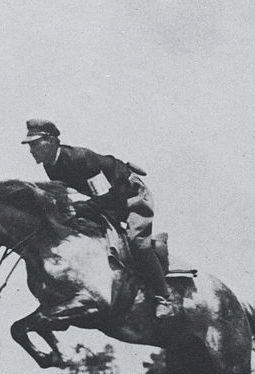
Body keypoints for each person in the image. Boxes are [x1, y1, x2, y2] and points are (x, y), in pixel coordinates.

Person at [21, 118, 176, 320]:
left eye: (35, 143)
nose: (31, 150)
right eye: (30, 145)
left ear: (51, 141)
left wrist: (82, 209)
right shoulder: (51, 166)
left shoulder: (80, 158)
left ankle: (163, 298)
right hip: (107, 198)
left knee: (137, 243)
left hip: (130, 195)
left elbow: (111, 196)